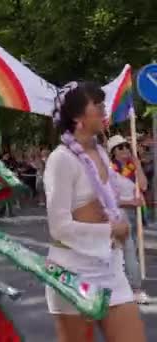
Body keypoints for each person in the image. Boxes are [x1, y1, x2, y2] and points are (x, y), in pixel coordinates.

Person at [44, 82, 146, 341]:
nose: (104, 111)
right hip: (72, 273)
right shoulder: (61, 160)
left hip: (111, 269)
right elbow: (59, 227)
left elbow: (131, 190)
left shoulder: (101, 153)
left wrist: (136, 169)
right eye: (98, 106)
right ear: (78, 117)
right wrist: (111, 229)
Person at [108, 135, 150, 305]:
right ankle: (136, 289)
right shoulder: (110, 171)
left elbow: (144, 186)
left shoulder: (133, 168)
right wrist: (130, 202)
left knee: (129, 250)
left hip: (136, 214)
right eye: (120, 147)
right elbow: (108, 198)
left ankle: (118, 286)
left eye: (126, 146)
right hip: (119, 214)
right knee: (130, 250)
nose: (125, 150)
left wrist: (138, 163)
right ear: (113, 153)